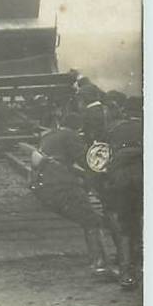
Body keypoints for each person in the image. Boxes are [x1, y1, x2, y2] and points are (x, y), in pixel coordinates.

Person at [30, 113, 112, 279]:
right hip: (62, 186)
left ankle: (99, 263)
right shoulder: (71, 136)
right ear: (79, 127)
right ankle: (99, 265)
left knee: (88, 219)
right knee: (92, 221)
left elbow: (56, 161)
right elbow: (86, 161)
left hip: (43, 185)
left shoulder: (49, 136)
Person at [91, 100, 143, 292]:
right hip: (149, 175)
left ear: (123, 112)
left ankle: (127, 274)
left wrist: (100, 185)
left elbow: (96, 161)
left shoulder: (112, 129)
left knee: (126, 227)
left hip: (121, 180)